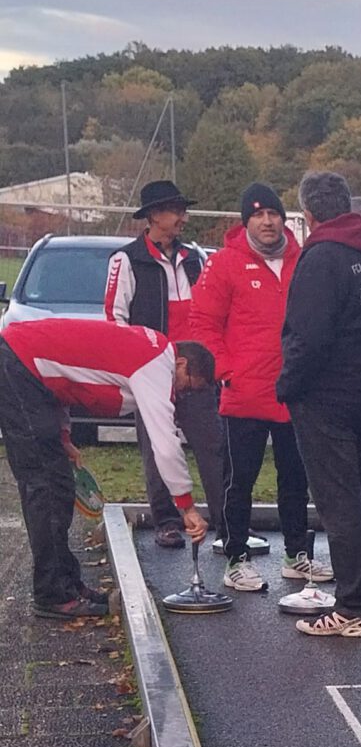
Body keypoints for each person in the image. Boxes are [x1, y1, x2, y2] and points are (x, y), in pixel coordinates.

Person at [0, 313, 209, 619]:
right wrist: (186, 505)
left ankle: (66, 582)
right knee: (45, 488)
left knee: (58, 486)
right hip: (19, 365)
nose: (181, 394)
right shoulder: (155, 364)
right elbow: (164, 442)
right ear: (182, 364)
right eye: (188, 386)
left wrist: (64, 436)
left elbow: (68, 376)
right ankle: (53, 594)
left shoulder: (146, 346)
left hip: (26, 364)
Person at [276, 171, 361, 638]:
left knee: (340, 505)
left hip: (327, 398)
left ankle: (352, 606)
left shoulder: (321, 259)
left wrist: (288, 387)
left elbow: (306, 337)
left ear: (309, 214)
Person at [182, 180, 316, 593]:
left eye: (273, 213)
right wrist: (227, 370)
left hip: (294, 392)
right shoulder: (224, 264)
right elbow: (202, 323)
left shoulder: (305, 259)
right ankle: (235, 556)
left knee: (296, 478)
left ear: (284, 218)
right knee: (238, 480)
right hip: (244, 393)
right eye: (258, 215)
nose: (267, 221)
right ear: (246, 222)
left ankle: (297, 555)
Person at [103, 177, 223, 547]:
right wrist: (134, 367)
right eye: (177, 211)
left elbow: (210, 311)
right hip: (152, 372)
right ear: (155, 216)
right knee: (157, 448)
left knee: (215, 446)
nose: (184, 218)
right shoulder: (126, 259)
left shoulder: (195, 258)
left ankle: (226, 520)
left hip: (196, 371)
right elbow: (114, 318)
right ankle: (167, 521)